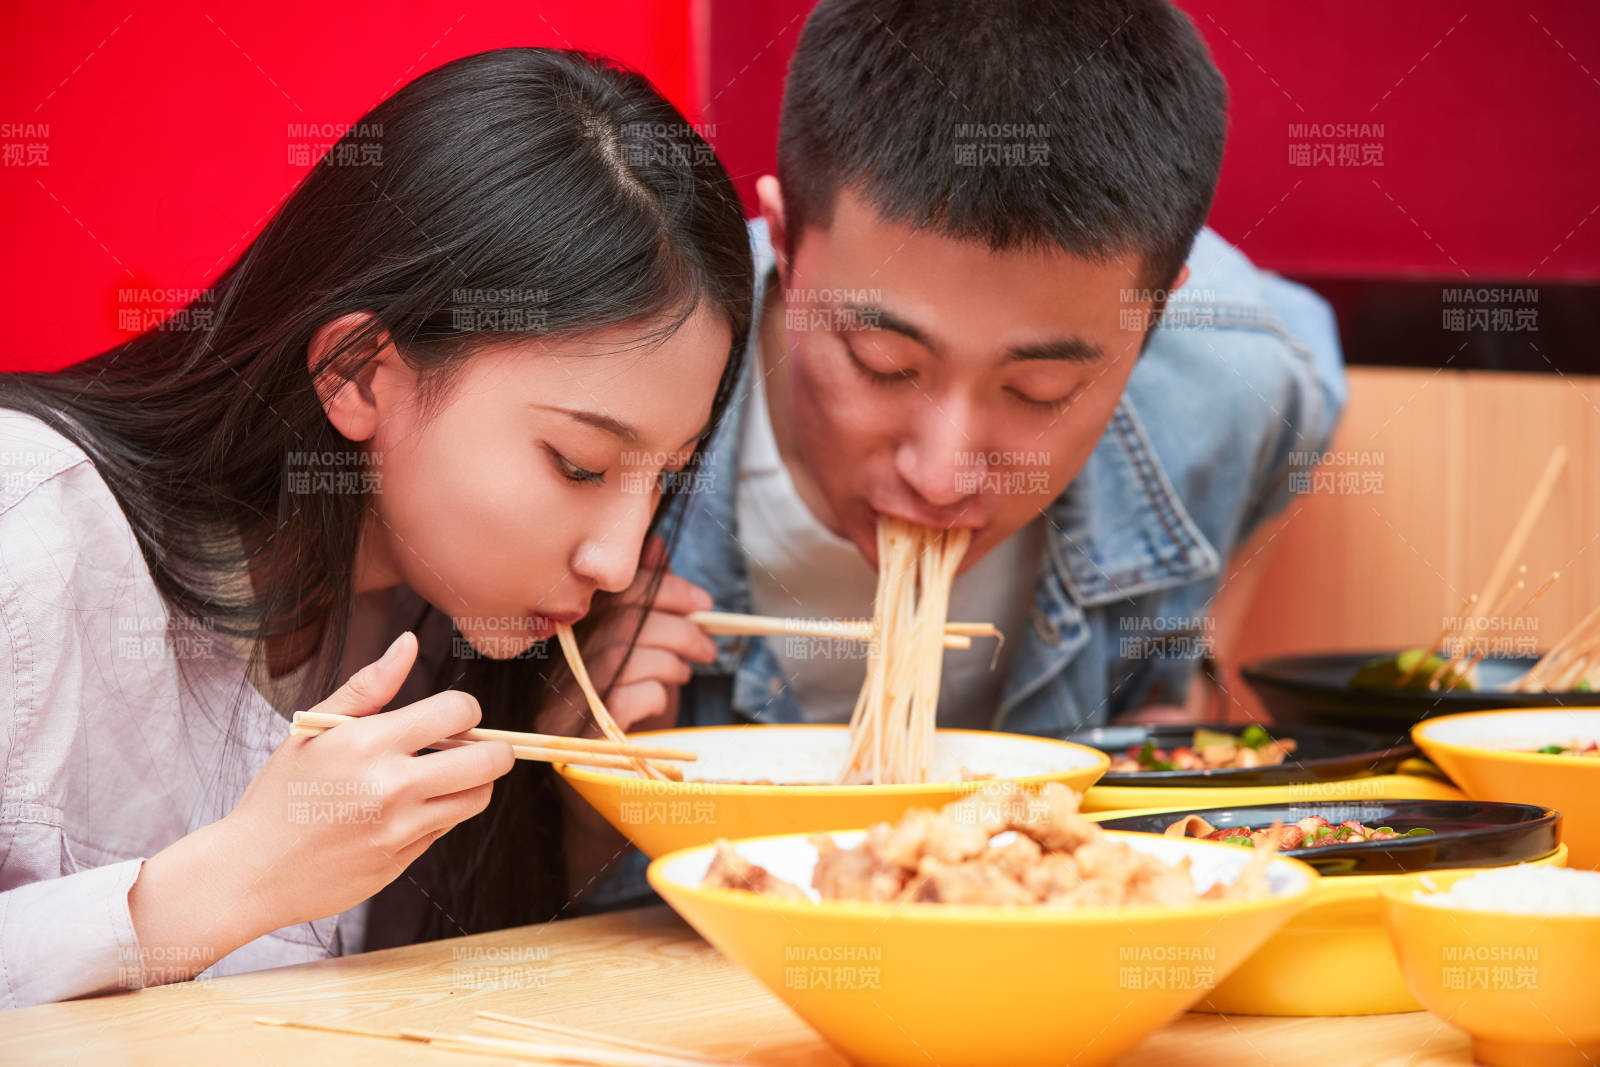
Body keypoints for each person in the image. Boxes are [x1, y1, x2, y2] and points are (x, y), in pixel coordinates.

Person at [0, 47, 750, 1007]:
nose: (615, 560)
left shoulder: (452, 637)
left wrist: (572, 812)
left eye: (665, 478)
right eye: (580, 464)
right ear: (358, 371)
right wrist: (224, 884)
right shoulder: (33, 524)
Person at [571, 0, 1346, 901]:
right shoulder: (603, 405)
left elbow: (1303, 369)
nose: (941, 475)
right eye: (885, 363)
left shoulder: (1236, 384)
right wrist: (586, 806)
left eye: (1038, 391)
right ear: (782, 241)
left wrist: (1202, 654)